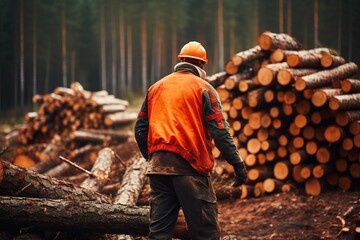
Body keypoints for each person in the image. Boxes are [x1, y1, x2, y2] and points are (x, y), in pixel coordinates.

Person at [134, 41, 247, 240]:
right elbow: (220, 131)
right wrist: (237, 164)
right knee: (206, 232)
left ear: (180, 61)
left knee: (159, 233)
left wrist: (151, 157)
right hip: (190, 167)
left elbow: (140, 130)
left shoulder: (155, 88)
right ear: (202, 66)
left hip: (158, 168)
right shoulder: (204, 88)